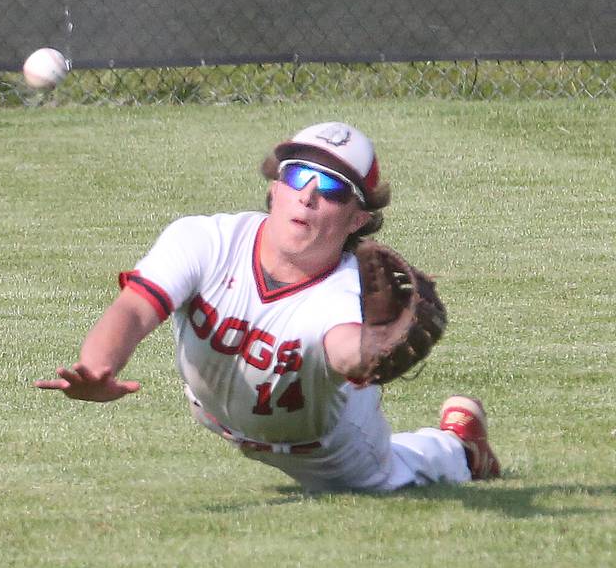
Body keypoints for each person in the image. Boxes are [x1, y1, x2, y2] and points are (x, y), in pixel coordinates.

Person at [35, 121, 500, 492]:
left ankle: (459, 445)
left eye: (333, 187)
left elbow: (344, 351)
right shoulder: (205, 239)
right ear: (276, 187)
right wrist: (97, 367)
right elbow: (135, 309)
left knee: (389, 479)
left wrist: (373, 346)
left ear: (359, 217)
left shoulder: (344, 292)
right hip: (214, 413)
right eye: (298, 173)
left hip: (325, 449)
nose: (309, 194)